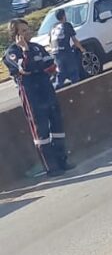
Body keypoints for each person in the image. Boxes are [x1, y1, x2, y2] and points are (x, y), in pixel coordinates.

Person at [3, 19, 69, 175]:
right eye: (23, 31)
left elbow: (51, 66)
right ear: (16, 35)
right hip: (31, 93)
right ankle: (51, 168)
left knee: (57, 125)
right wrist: (25, 52)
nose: (28, 33)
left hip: (46, 88)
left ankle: (62, 161)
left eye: (28, 29)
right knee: (41, 130)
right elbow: (24, 69)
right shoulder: (12, 53)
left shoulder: (37, 48)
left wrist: (34, 66)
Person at [49, 8, 85, 87]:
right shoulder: (67, 25)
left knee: (61, 73)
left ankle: (57, 90)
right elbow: (74, 40)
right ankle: (77, 89)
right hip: (66, 52)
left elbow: (50, 41)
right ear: (64, 16)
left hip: (55, 53)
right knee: (73, 72)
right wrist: (82, 49)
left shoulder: (53, 27)